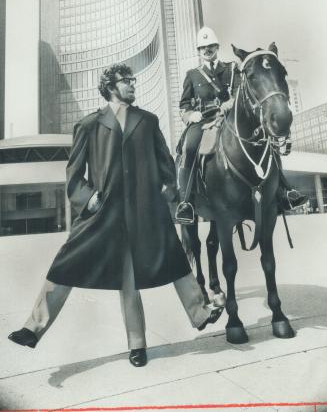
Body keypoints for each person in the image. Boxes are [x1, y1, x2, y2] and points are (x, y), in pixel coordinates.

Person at [8, 63, 222, 368]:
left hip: (145, 209)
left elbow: (165, 165)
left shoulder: (148, 122)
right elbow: (73, 175)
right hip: (102, 211)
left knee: (161, 263)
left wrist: (167, 191)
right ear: (110, 86)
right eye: (127, 81)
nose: (133, 84)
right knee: (66, 262)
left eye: (133, 80)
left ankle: (169, 329)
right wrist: (88, 197)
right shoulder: (89, 125)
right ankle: (33, 328)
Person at [175, 26, 307, 224]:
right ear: (199, 51)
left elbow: (241, 90)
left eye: (210, 46)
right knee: (190, 145)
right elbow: (184, 105)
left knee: (266, 137)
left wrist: (230, 103)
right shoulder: (192, 74)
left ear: (217, 47)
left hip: (231, 116)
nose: (207, 50)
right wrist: (190, 115)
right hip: (203, 121)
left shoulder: (231, 68)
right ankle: (186, 201)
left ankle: (285, 190)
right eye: (203, 47)